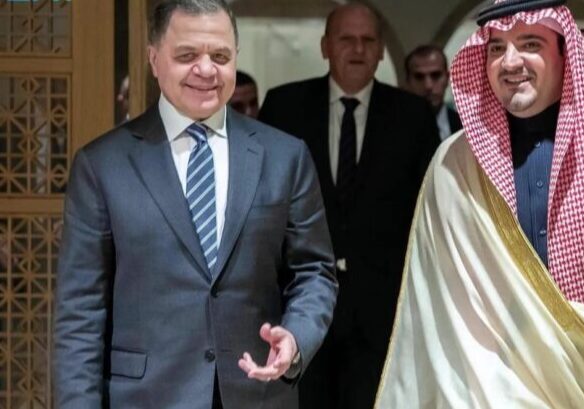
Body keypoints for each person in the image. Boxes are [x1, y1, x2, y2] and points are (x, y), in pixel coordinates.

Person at [375, 0, 584, 408]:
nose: (510, 61)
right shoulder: (456, 166)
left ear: (566, 51)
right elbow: (438, 320)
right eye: (496, 47)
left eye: (529, 43)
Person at [53, 1, 337, 408]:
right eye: (187, 56)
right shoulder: (103, 165)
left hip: (257, 394)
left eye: (220, 56)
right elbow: (80, 312)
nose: (206, 70)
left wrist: (296, 337)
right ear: (154, 59)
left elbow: (315, 272)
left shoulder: (284, 157)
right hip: (147, 398)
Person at [258, 3, 440, 409]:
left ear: (381, 50)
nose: (358, 49)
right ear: (325, 46)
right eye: (346, 39)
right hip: (300, 309)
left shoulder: (412, 117)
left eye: (368, 40)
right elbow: (264, 206)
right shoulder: (284, 107)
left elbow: (427, 215)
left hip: (381, 314)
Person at [404, 44, 462, 140]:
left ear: (447, 78)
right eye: (419, 77)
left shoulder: (466, 125)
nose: (428, 86)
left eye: (436, 75)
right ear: (407, 81)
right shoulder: (394, 126)